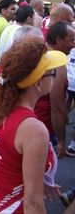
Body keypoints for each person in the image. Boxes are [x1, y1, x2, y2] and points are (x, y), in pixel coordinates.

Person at [0, 41, 66, 213]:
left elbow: (8, 159)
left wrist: (41, 181)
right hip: (12, 207)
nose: (55, 76)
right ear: (38, 83)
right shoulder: (33, 129)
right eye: (52, 73)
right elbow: (32, 204)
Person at [34, 21, 75, 158]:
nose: (73, 44)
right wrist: (62, 141)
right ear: (58, 39)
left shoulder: (39, 52)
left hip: (30, 120)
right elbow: (56, 107)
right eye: (71, 40)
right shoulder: (57, 63)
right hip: (43, 126)